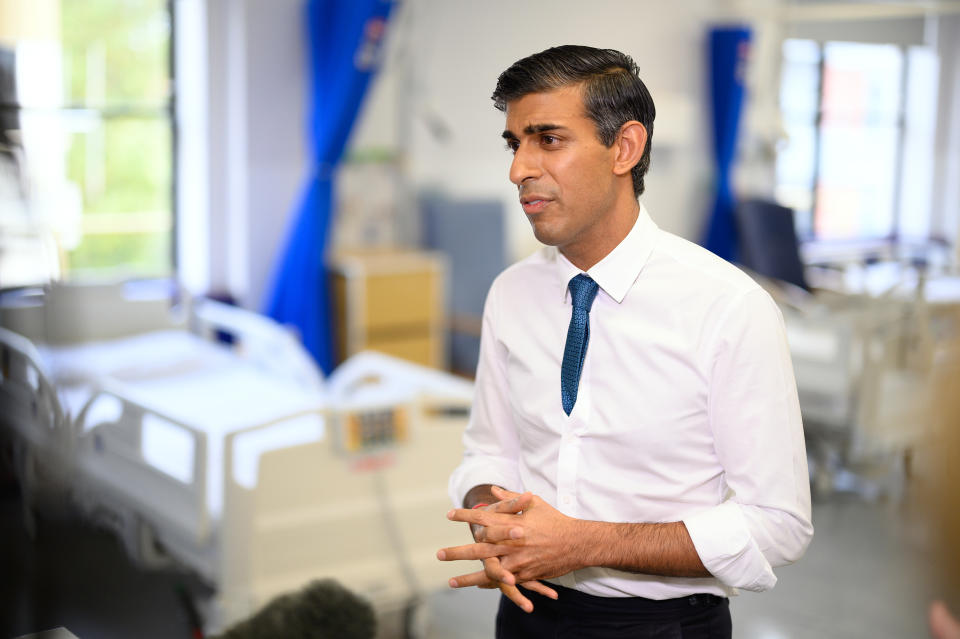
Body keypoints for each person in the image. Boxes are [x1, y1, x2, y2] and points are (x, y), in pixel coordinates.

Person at [437, 45, 814, 638]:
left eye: (549, 140)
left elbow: (778, 524)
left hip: (661, 625)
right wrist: (495, 522)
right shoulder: (511, 293)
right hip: (526, 611)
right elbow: (489, 452)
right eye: (515, 144)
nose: (519, 171)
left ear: (625, 148)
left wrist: (584, 543)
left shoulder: (727, 308)